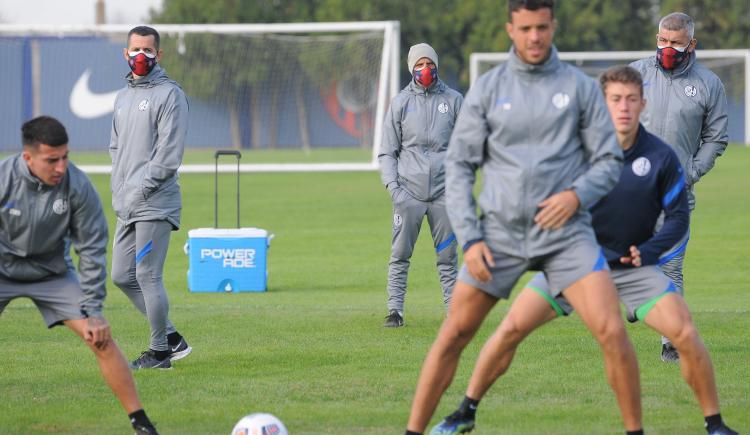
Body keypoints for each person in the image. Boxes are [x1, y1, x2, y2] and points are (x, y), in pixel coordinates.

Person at [429, 66, 738, 435]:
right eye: (615, 100)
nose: (623, 107)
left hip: (630, 270)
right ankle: (465, 411)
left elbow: (677, 218)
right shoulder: (574, 153)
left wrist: (651, 251)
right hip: (572, 266)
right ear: (601, 104)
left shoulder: (661, 158)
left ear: (643, 104)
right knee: (511, 328)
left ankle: (715, 425)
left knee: (684, 333)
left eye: (631, 99)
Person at [405, 1, 644, 434]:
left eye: (542, 27)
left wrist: (575, 195)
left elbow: (609, 160)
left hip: (567, 236)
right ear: (510, 30)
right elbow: (458, 166)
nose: (534, 37)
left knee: (612, 330)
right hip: (499, 236)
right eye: (525, 28)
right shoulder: (488, 88)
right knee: (454, 335)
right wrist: (471, 237)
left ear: (553, 26)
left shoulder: (579, 87)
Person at [0, 116, 159, 434]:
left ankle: (141, 423)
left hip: (52, 274)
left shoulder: (77, 186)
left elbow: (91, 250)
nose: (61, 167)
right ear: (28, 157)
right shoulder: (4, 179)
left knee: (100, 337)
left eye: (65, 157)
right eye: (52, 160)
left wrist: (95, 311)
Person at [630, 12, 729, 362]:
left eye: (675, 43)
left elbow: (716, 137)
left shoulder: (708, 84)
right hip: (631, 192)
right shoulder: (634, 74)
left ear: (691, 44)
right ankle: (636, 300)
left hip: (676, 193)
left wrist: (690, 172)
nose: (667, 48)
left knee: (670, 267)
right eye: (662, 40)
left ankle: (670, 341)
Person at [110, 25, 191, 369]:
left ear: (159, 55)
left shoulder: (170, 95)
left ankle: (160, 353)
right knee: (120, 275)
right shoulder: (123, 96)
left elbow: (168, 156)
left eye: (147, 50)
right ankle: (172, 336)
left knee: (147, 275)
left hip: (154, 202)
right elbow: (115, 146)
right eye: (134, 50)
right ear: (125, 53)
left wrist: (141, 188)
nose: (140, 56)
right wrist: (121, 190)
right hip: (126, 203)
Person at [378, 43, 463, 327]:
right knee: (400, 255)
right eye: (420, 64)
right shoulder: (401, 103)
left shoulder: (453, 100)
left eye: (430, 63)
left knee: (448, 258)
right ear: (411, 67)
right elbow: (387, 151)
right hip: (409, 194)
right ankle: (395, 311)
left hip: (444, 195)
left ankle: (454, 313)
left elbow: (467, 147)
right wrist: (394, 188)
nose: (425, 69)